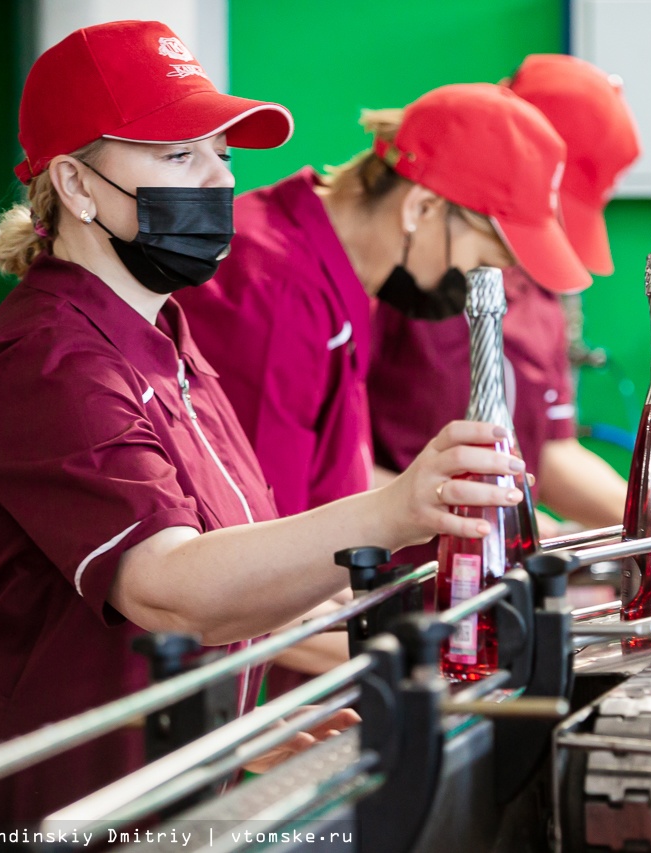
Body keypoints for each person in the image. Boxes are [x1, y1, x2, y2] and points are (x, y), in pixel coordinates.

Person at [0, 21, 524, 828]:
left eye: (222, 154)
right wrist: (399, 508)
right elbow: (170, 587)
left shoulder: (166, 340)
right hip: (41, 813)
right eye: (178, 155)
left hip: (158, 793)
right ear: (77, 186)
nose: (220, 181)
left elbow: (242, 558)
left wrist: (258, 734)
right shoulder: (49, 363)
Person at [176, 81, 589, 695]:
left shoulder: (342, 280)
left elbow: (323, 481)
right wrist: (443, 668)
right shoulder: (278, 290)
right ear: (421, 208)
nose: (492, 281)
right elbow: (256, 558)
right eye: (488, 256)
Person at [369, 54, 640, 536]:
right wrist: (488, 518)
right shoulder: (406, 273)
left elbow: (551, 453)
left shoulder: (538, 290)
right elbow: (320, 470)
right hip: (398, 569)